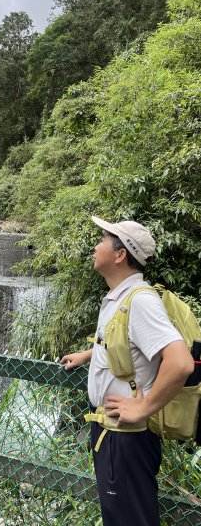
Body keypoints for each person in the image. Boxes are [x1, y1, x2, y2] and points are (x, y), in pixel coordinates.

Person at [60, 216, 194, 526]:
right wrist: (89, 354)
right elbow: (126, 343)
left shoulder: (141, 301)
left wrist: (145, 407)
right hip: (111, 432)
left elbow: (181, 361)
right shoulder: (121, 297)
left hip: (127, 436)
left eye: (103, 241)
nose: (96, 246)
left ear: (120, 255)